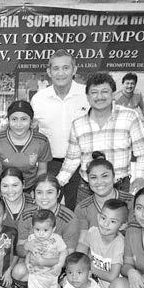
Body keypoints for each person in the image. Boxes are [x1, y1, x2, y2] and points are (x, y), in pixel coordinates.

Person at [57, 72, 144, 206]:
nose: (99, 97)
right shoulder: (78, 124)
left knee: (120, 220)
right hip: (86, 189)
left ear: (113, 94)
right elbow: (72, 159)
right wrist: (57, 183)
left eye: (104, 91)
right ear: (87, 97)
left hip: (119, 188)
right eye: (94, 92)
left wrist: (140, 177)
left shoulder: (129, 117)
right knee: (83, 220)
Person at [31, 49, 89, 210]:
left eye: (66, 68)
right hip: (49, 165)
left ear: (74, 70)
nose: (61, 73)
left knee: (78, 212)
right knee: (47, 211)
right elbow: (31, 131)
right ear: (49, 72)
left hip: (82, 165)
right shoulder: (39, 99)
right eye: (56, 68)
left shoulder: (87, 95)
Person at [76, 199, 128, 288]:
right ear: (98, 216)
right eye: (103, 218)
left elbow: (113, 277)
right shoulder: (93, 232)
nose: (105, 224)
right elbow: (88, 252)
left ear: (122, 225)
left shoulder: (119, 243)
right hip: (100, 285)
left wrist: (89, 268)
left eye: (113, 221)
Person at [17, 209, 68, 288]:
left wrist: (59, 265)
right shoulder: (32, 238)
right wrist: (27, 263)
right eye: (37, 229)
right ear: (32, 228)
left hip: (52, 275)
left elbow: (64, 252)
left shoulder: (57, 239)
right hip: (37, 275)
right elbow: (29, 252)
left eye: (45, 230)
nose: (41, 233)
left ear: (53, 229)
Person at [0, 100, 51, 194]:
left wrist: (37, 189)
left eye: (24, 119)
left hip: (30, 189)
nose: (18, 124)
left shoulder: (41, 141)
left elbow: (42, 169)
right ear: (8, 120)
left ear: (31, 120)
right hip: (3, 190)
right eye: (14, 119)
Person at [73, 152, 134, 239]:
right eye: (93, 177)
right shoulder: (82, 208)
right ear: (88, 180)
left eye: (105, 176)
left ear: (113, 177)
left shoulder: (131, 202)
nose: (99, 181)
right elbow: (83, 241)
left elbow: (136, 236)